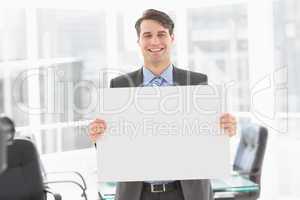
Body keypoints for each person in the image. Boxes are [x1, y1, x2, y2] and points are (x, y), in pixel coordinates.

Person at [89, 9, 236, 200]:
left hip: (187, 193)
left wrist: (225, 130)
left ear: (172, 38)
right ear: (139, 42)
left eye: (161, 34)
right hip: (137, 194)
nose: (155, 41)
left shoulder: (196, 82)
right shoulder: (120, 85)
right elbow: (113, 147)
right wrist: (98, 136)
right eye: (147, 35)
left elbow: (206, 140)